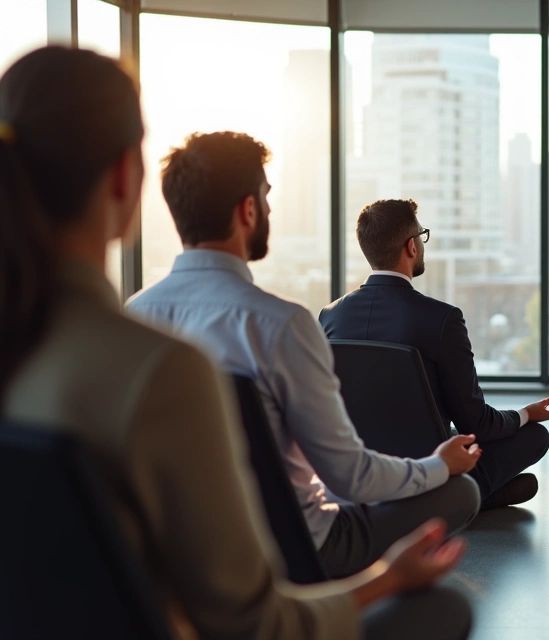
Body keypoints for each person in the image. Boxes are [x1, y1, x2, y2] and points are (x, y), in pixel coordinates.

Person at [0, 46, 472, 640]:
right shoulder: (169, 367)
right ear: (125, 177)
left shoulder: (114, 324)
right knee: (446, 603)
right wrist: (387, 578)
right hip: (277, 565)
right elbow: (253, 622)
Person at [127, 131, 481, 580]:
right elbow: (350, 477)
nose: (271, 209)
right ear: (248, 209)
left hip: (185, 554)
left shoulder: (135, 315)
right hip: (297, 548)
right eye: (267, 196)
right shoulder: (280, 324)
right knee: (461, 492)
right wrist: (437, 464)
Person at [321, 198, 549, 510]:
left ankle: (472, 495)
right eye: (422, 236)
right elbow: (476, 424)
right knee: (535, 436)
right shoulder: (441, 318)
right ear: (411, 247)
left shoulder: (330, 316)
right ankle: (459, 498)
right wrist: (526, 414)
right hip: (430, 465)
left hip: (360, 467)